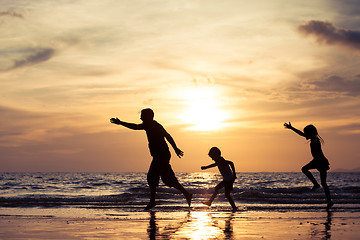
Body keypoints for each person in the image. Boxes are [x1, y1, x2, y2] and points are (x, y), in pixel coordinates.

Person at [110, 108, 192, 210]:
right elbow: (166, 135)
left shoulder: (152, 125)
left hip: (161, 155)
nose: (140, 118)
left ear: (148, 117)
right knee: (152, 178)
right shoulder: (151, 125)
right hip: (159, 155)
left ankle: (186, 194)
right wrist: (175, 149)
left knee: (167, 179)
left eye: (142, 116)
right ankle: (154, 201)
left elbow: (137, 127)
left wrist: (176, 148)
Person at [284, 122, 333, 209]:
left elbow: (317, 151)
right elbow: (300, 133)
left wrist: (316, 162)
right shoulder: (313, 138)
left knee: (304, 169)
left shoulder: (315, 141)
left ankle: (316, 185)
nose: (304, 135)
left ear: (310, 133)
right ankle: (329, 201)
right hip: (319, 161)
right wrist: (291, 128)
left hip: (320, 161)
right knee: (323, 183)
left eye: (306, 133)